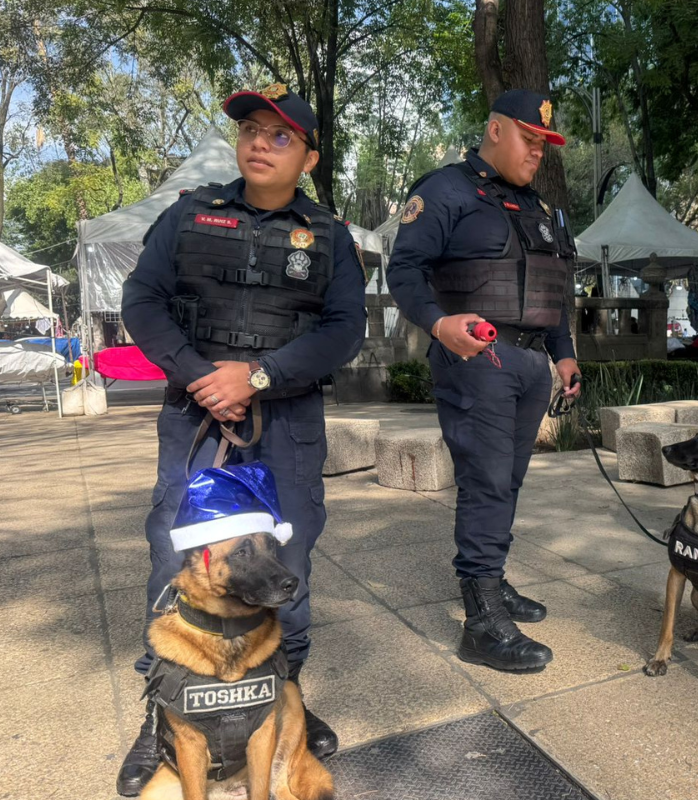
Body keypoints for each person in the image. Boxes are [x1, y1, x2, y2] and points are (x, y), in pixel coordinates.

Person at [116, 83, 366, 796]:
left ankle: (283, 699)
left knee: (287, 561)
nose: (260, 141)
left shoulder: (329, 237)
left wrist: (257, 377)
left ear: (308, 158)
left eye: (280, 135)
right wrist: (202, 377)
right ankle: (163, 719)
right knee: (177, 554)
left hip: (286, 420)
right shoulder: (189, 215)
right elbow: (143, 301)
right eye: (252, 129)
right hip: (197, 414)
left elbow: (344, 328)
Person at [387, 89, 579, 672]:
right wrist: (439, 323)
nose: (538, 151)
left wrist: (564, 354)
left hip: (529, 362)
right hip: (477, 357)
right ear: (495, 131)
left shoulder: (541, 210)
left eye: (544, 143)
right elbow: (405, 269)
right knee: (487, 483)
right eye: (529, 138)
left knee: (509, 480)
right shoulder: (445, 190)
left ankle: (492, 582)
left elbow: (553, 288)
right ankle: (482, 620)